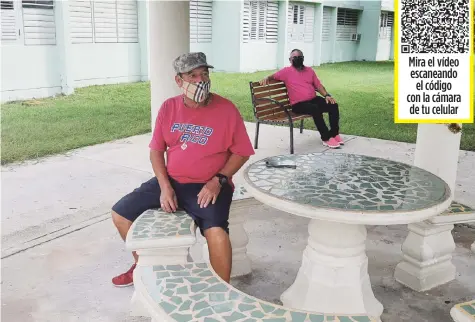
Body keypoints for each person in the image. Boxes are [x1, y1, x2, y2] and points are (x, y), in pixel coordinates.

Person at [111, 52, 255, 287]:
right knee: (120, 214)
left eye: (204, 74)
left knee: (216, 232)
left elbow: (242, 151)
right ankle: (140, 264)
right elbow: (156, 151)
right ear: (179, 81)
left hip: (209, 184)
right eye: (192, 75)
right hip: (172, 180)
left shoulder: (226, 109)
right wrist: (165, 187)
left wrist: (218, 179)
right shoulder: (168, 108)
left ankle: (222, 291)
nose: (200, 80)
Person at [259, 49, 343, 148]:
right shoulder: (286, 71)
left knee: (333, 105)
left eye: (299, 57)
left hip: (313, 99)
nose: (297, 59)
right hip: (298, 104)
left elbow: (318, 85)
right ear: (290, 60)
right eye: (294, 57)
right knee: (314, 108)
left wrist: (327, 95)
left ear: (303, 58)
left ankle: (334, 133)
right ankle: (326, 138)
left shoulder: (309, 71)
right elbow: (272, 76)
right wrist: (266, 78)